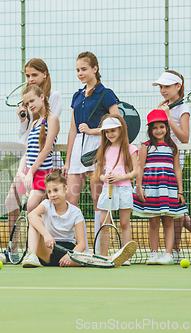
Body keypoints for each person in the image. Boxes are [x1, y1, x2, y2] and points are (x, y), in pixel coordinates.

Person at [153, 71, 191, 262]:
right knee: (171, 205)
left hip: (173, 159)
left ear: (178, 87)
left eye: (167, 87)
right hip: (159, 158)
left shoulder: (183, 109)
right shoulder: (165, 106)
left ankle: (177, 249)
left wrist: (167, 117)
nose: (163, 90)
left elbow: (184, 137)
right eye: (161, 87)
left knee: (173, 205)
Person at [62, 51, 121, 251]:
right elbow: (72, 130)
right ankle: (77, 246)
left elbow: (118, 122)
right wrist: (68, 160)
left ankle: (98, 248)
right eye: (77, 70)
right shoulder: (76, 96)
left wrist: (94, 131)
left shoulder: (106, 93)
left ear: (95, 69)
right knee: (71, 197)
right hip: (79, 148)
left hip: (98, 147)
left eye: (84, 69)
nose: (80, 73)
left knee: (98, 198)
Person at [22, 169, 137, 268]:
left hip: (68, 252)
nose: (52, 194)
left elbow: (81, 243)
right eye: (49, 191)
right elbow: (31, 215)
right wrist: (47, 235)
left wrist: (70, 255)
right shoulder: (46, 204)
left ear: (66, 189)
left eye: (56, 190)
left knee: (89, 256)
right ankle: (31, 256)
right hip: (47, 250)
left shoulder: (76, 212)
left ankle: (112, 258)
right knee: (36, 220)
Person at [6, 59, 64, 253]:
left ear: (45, 74)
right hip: (29, 168)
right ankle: (13, 248)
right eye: (27, 76)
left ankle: (42, 248)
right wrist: (23, 118)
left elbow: (47, 140)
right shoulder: (32, 114)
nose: (30, 79)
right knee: (11, 201)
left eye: (34, 75)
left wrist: (30, 171)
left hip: (45, 169)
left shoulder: (53, 98)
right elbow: (25, 138)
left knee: (39, 207)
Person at [132, 109, 188, 265]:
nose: (158, 130)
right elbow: (140, 167)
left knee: (169, 222)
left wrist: (180, 191)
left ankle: (168, 254)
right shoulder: (146, 147)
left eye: (162, 127)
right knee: (153, 222)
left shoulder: (173, 147)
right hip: (151, 189)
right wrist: (139, 186)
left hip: (168, 189)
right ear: (150, 129)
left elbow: (177, 170)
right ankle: (154, 253)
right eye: (155, 127)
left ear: (167, 128)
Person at [91, 114, 138, 265]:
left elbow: (136, 171)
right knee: (104, 224)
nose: (110, 134)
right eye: (107, 131)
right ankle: (104, 257)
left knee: (125, 223)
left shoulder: (131, 148)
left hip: (124, 190)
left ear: (120, 130)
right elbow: (99, 173)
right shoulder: (103, 149)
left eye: (113, 130)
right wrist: (105, 178)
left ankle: (125, 257)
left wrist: (120, 177)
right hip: (107, 190)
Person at [15, 85, 59, 213]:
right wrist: (20, 171)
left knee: (31, 207)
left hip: (42, 174)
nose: (30, 105)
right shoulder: (34, 123)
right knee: (30, 210)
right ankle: (34, 233)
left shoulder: (52, 119)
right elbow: (27, 152)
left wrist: (31, 172)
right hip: (30, 173)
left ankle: (43, 234)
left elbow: (46, 150)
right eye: (27, 103)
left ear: (42, 97)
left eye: (32, 101)